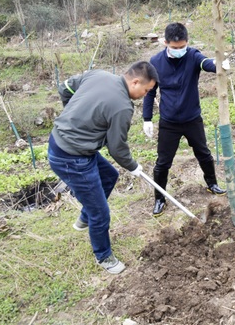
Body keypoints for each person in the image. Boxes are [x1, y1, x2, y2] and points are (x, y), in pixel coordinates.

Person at [48, 61, 159, 274]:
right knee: (101, 212)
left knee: (109, 176)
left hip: (63, 144)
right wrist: (133, 166)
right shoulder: (122, 107)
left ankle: (85, 216)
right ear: (135, 81)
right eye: (145, 90)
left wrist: (75, 115)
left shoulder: (98, 75)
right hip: (72, 157)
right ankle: (104, 256)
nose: (145, 95)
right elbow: (117, 148)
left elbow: (65, 89)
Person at [143, 22, 230, 217]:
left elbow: (205, 63)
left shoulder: (192, 56)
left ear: (187, 43)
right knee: (163, 163)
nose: (179, 51)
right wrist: (146, 118)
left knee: (204, 153)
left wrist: (218, 65)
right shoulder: (155, 62)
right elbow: (149, 92)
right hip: (169, 122)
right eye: (175, 48)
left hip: (192, 119)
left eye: (182, 46)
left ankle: (212, 183)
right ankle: (159, 198)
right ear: (165, 43)